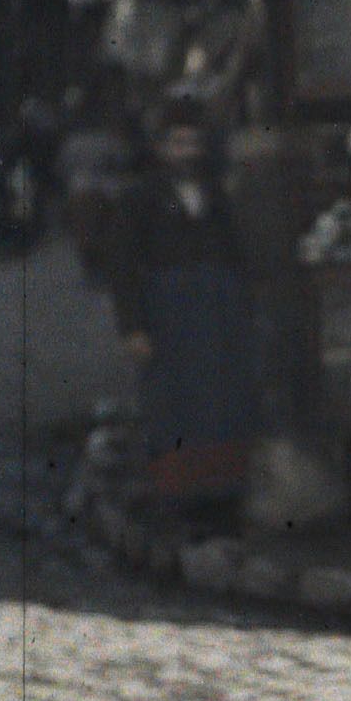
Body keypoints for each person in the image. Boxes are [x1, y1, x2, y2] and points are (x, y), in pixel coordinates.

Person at [106, 92, 259, 526]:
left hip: (217, 314)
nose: (186, 152)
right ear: (160, 147)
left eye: (193, 143)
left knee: (222, 405)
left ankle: (223, 499)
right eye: (177, 143)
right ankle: (181, 502)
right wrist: (132, 327)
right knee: (175, 407)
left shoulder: (215, 193)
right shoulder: (140, 197)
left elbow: (235, 252)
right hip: (168, 315)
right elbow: (122, 265)